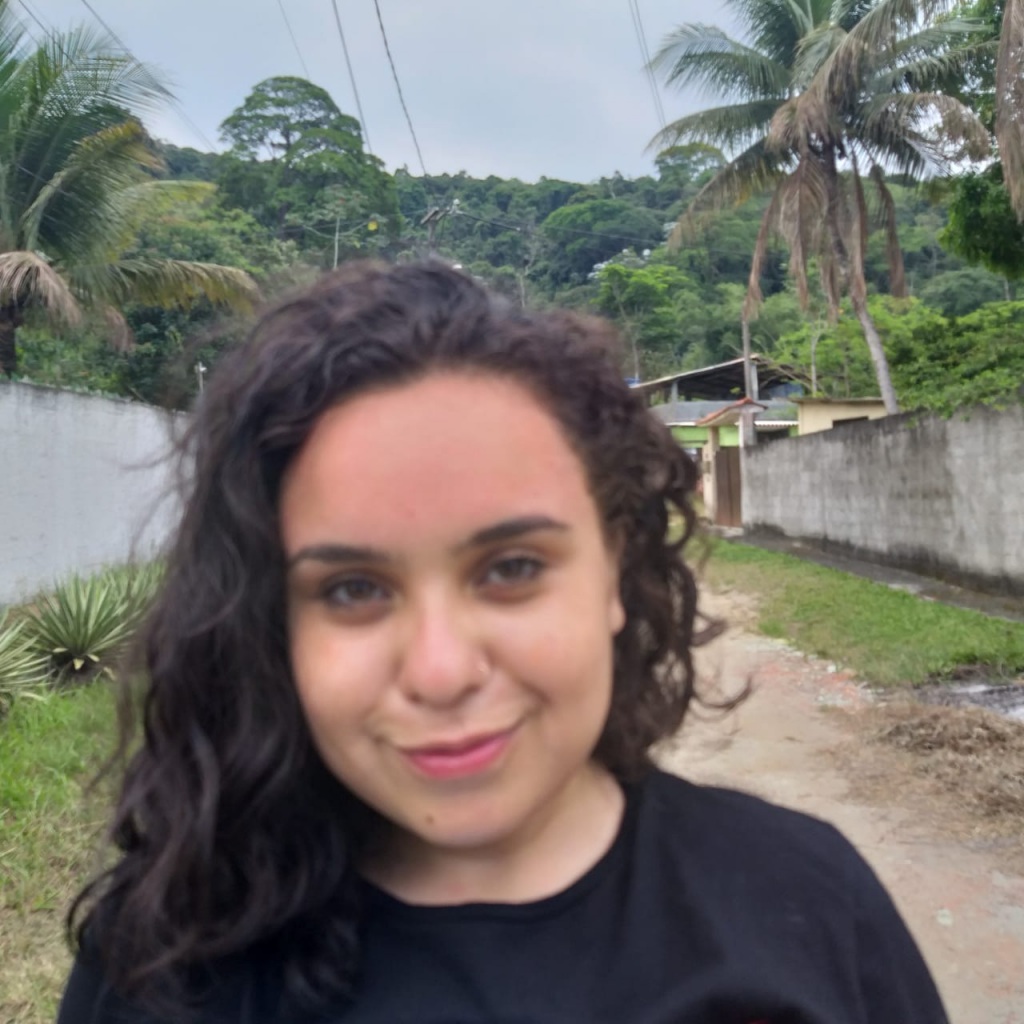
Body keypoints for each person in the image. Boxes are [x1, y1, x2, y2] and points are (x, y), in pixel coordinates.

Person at [58, 261, 948, 1024]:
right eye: (353, 589)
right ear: (273, 621)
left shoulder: (813, 907)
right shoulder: (164, 961)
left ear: (615, 569)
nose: (442, 671)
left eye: (513, 568)